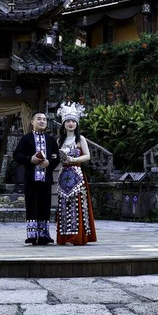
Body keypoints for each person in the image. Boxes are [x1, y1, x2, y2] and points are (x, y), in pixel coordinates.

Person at [13, 111, 60, 245]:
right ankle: (32, 236)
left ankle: (44, 235)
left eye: (44, 119)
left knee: (45, 206)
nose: (42, 121)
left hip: (46, 178)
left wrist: (49, 163)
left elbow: (56, 157)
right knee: (31, 206)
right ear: (32, 121)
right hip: (31, 179)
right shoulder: (26, 138)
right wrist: (30, 159)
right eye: (39, 119)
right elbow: (17, 155)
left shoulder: (51, 140)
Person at [56, 102, 97, 246]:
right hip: (64, 175)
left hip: (77, 175)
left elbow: (87, 156)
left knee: (77, 205)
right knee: (64, 205)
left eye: (73, 121)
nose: (70, 124)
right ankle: (65, 236)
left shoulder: (80, 139)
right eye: (68, 121)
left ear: (77, 124)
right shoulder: (60, 141)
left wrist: (73, 159)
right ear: (63, 124)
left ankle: (77, 237)